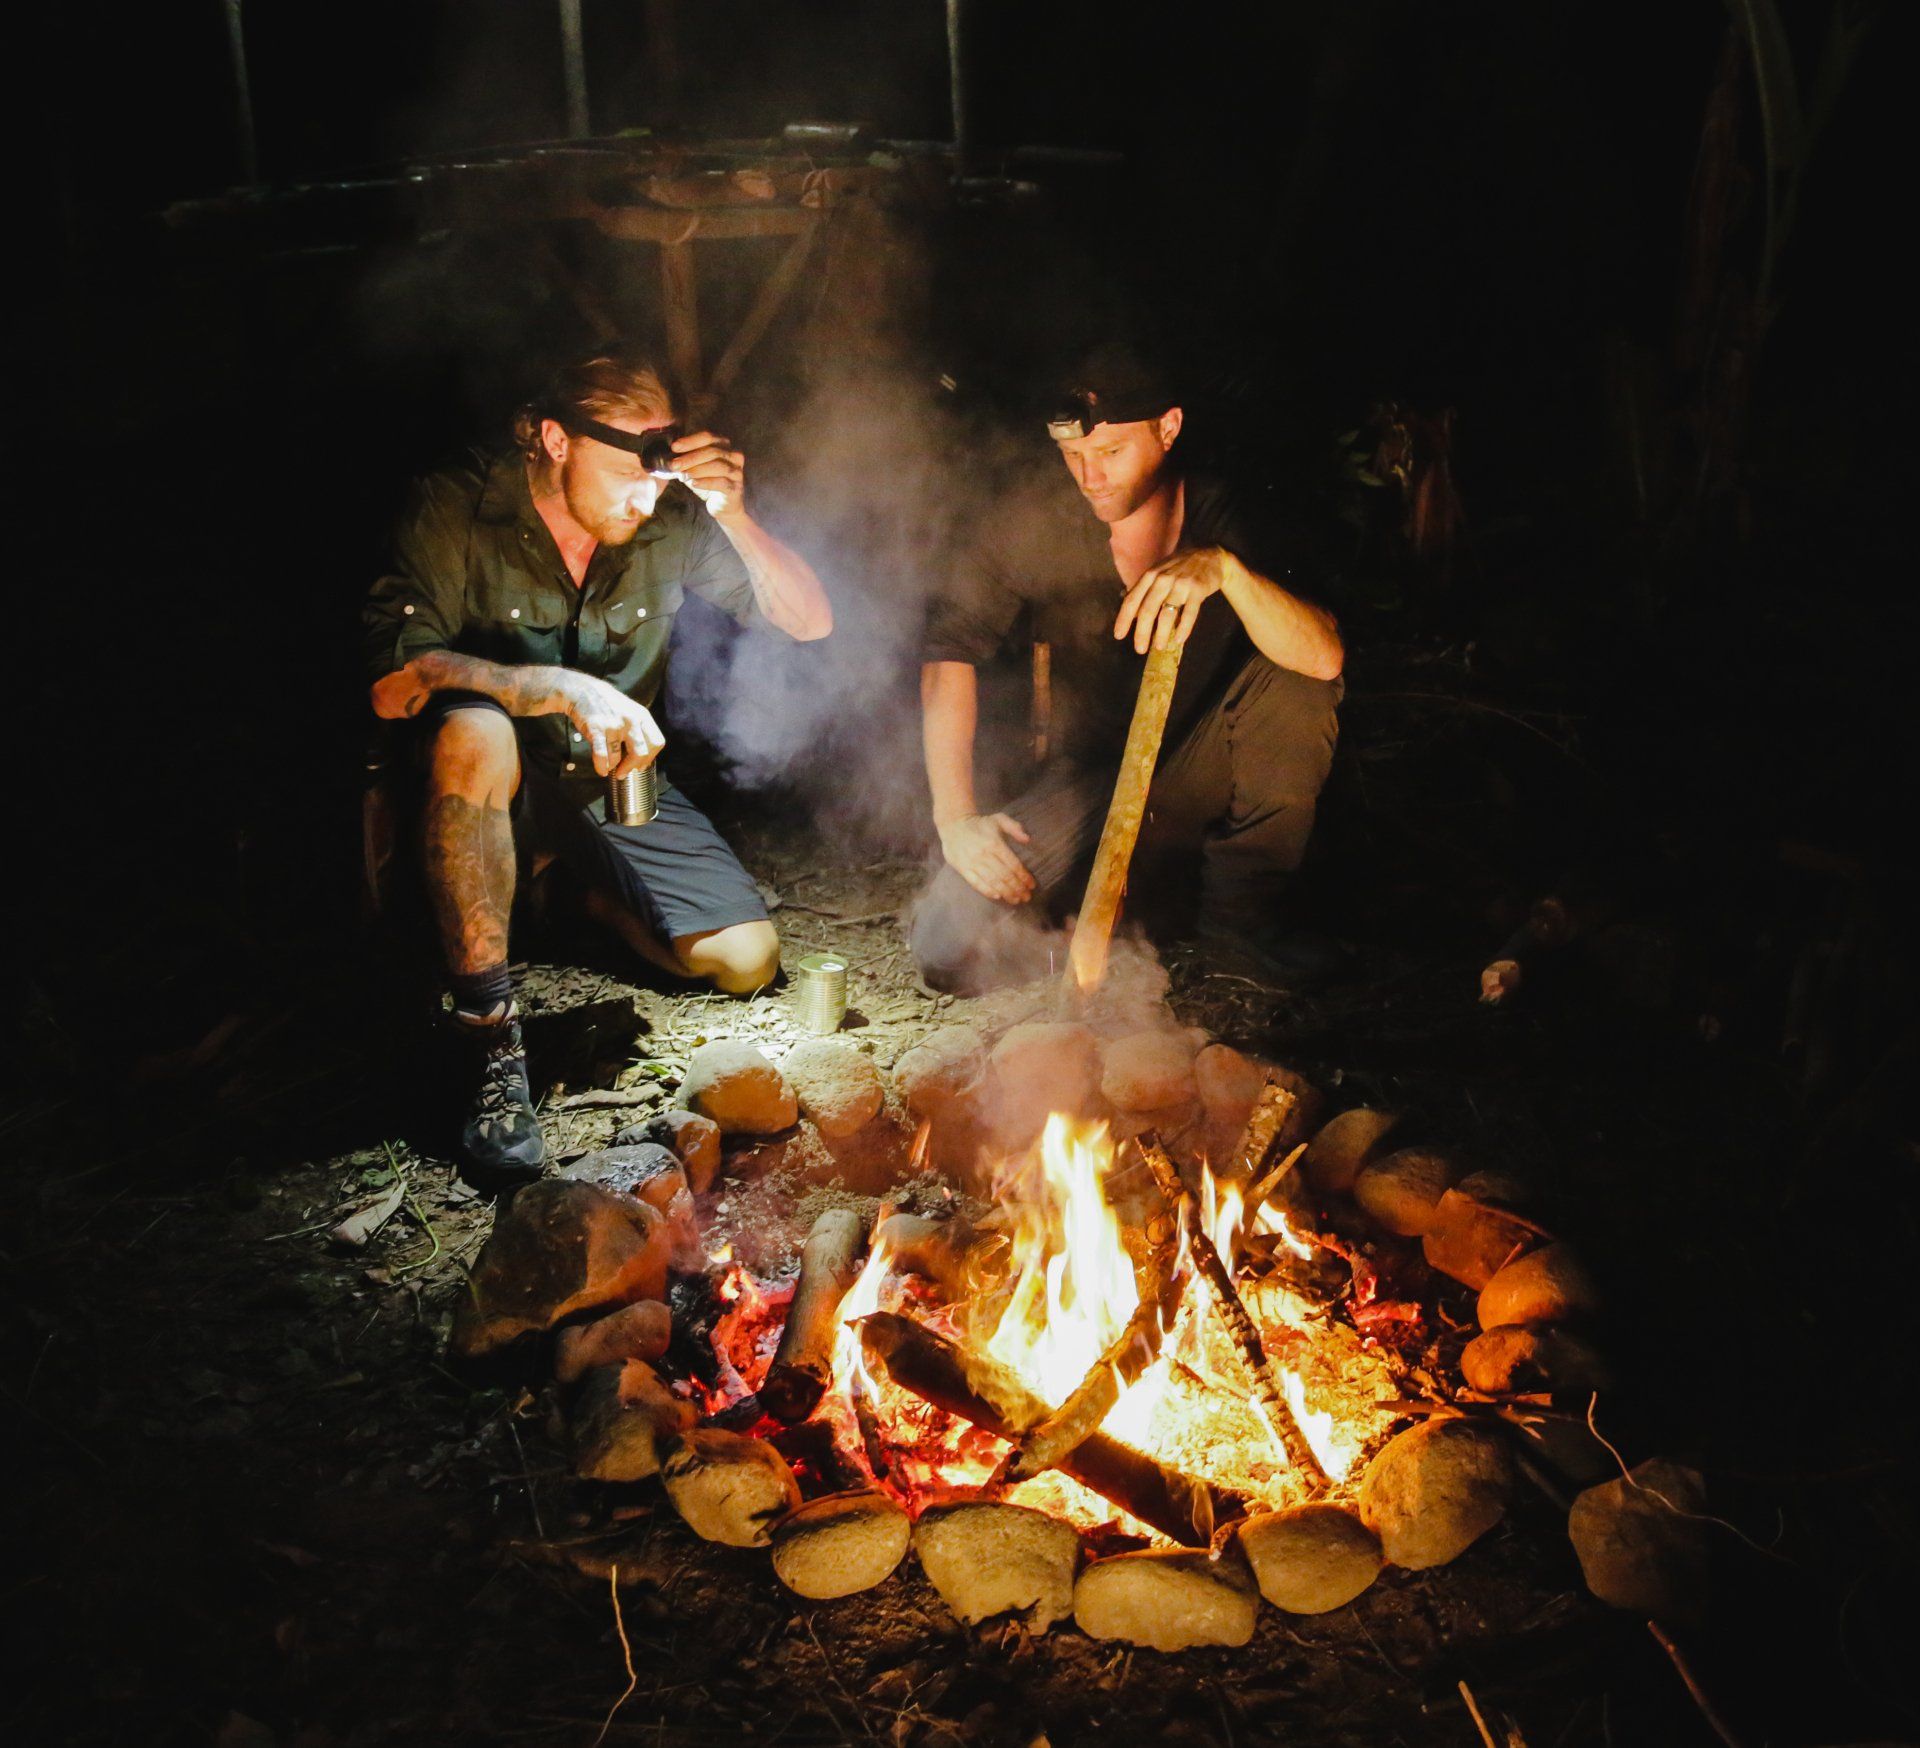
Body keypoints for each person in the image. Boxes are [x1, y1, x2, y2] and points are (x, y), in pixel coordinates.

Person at [364, 344, 832, 1190]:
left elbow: (808, 621)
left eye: (664, 471)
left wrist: (733, 513)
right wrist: (550, 686)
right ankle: (488, 1039)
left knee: (744, 958)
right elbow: (395, 683)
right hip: (475, 779)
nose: (649, 493)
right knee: (479, 733)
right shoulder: (460, 503)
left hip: (600, 779)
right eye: (631, 468)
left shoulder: (670, 515)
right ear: (553, 439)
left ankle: (568, 894)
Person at [910, 347, 1343, 993]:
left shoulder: (1228, 515)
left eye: (1111, 452)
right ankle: (1129, 916)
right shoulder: (1036, 523)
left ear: (1167, 429)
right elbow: (949, 652)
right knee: (946, 947)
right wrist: (956, 819)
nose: (1091, 477)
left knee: (1293, 681)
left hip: (1205, 767)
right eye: (1074, 457)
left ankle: (1241, 932)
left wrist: (1227, 571)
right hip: (1089, 784)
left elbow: (1323, 655)